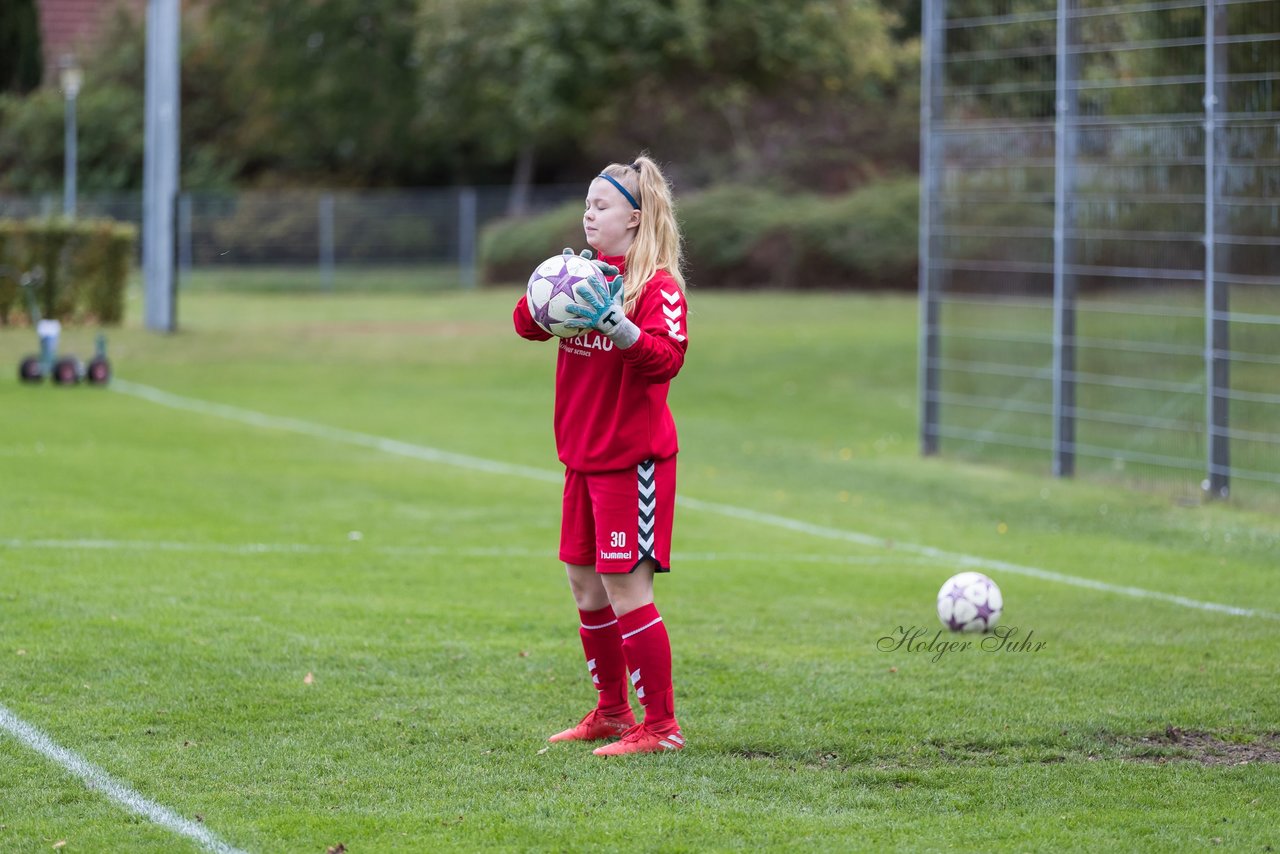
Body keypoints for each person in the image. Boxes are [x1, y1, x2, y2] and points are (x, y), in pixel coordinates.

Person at [512, 155, 689, 756]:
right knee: (585, 588)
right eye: (586, 204)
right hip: (581, 459)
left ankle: (661, 728)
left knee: (626, 591)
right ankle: (612, 713)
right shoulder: (583, 274)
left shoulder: (655, 287)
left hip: (631, 462)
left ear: (635, 218)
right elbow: (525, 326)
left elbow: (667, 360)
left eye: (601, 205)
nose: (588, 213)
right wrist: (552, 286)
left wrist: (618, 325)